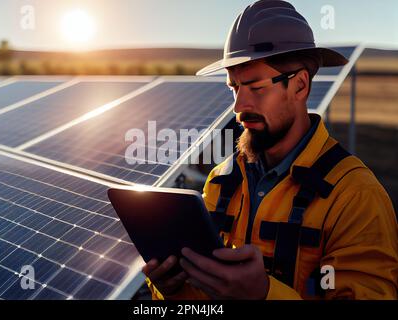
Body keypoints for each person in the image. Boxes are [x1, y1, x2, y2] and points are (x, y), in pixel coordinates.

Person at [142, 0, 398, 300]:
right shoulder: (220, 180)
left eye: (255, 87)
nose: (238, 107)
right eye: (234, 87)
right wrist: (171, 291)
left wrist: (263, 295)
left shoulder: (355, 195)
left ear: (300, 85)